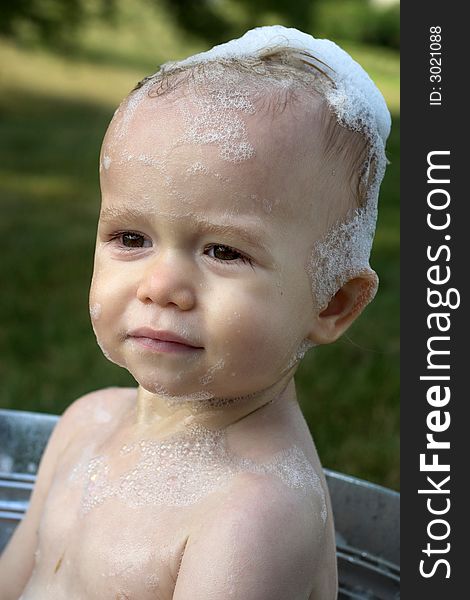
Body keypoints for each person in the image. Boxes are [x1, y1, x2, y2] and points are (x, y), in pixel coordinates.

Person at [0, 25, 390, 600]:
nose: (161, 286)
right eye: (131, 238)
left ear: (331, 302)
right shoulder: (85, 425)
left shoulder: (252, 515)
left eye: (224, 251)